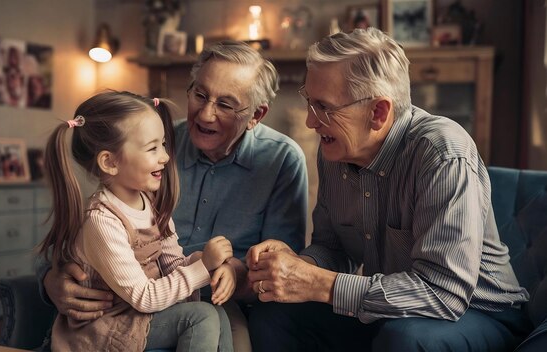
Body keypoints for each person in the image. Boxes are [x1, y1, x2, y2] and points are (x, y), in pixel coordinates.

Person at [246, 27, 532, 351]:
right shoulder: (335, 151)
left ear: (378, 112)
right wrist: (299, 268)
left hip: (480, 315)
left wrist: (319, 284)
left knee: (405, 339)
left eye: (324, 107)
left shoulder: (442, 155)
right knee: (273, 315)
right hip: (391, 311)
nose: (311, 122)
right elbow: (332, 248)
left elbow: (445, 294)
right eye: (309, 102)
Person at [39, 41, 308, 351]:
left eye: (225, 104)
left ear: (256, 115)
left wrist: (235, 271)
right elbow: (75, 230)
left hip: (209, 299)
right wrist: (51, 279)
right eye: (200, 95)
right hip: (132, 305)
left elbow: (281, 267)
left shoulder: (282, 160)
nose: (206, 115)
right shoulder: (142, 144)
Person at [40, 90, 234, 351]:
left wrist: (202, 261)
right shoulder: (102, 222)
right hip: (107, 326)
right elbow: (144, 297)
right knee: (201, 316)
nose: (164, 156)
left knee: (219, 314)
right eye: (152, 148)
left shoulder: (151, 204)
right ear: (110, 162)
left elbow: (172, 264)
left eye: (163, 144)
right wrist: (201, 269)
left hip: (141, 313)